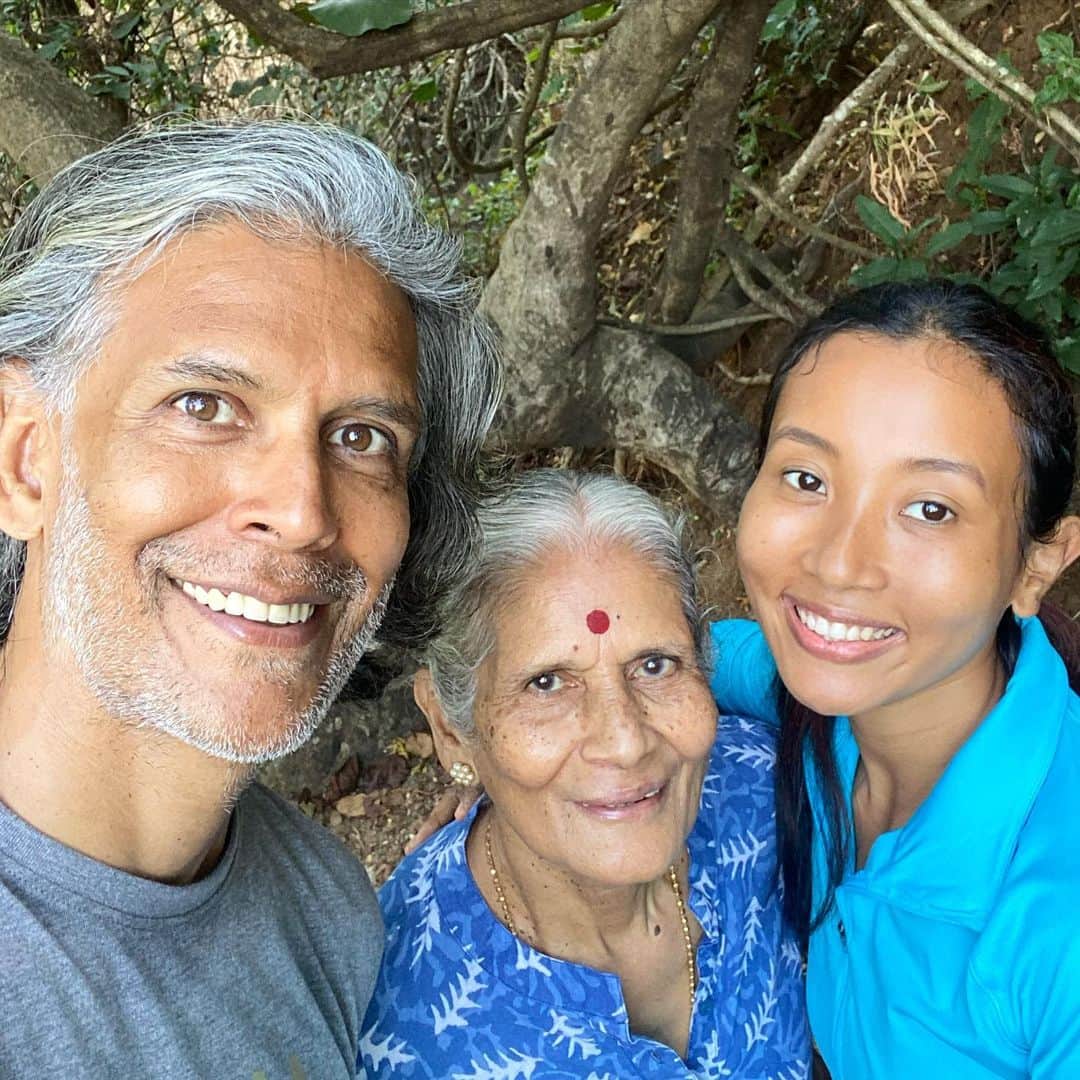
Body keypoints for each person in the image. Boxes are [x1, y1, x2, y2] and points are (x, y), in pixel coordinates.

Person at [0, 120, 499, 1078]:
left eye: (361, 438)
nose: (305, 511)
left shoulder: (328, 907)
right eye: (204, 407)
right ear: (26, 457)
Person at [712, 280, 1080, 1077]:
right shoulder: (824, 700)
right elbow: (711, 656)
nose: (838, 562)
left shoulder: (1058, 926)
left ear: (1038, 564)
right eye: (807, 479)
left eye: (931, 510)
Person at [360, 469, 811, 1078]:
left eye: (656, 664)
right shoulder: (399, 1019)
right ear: (450, 727)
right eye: (546, 684)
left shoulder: (775, 798)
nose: (625, 741)